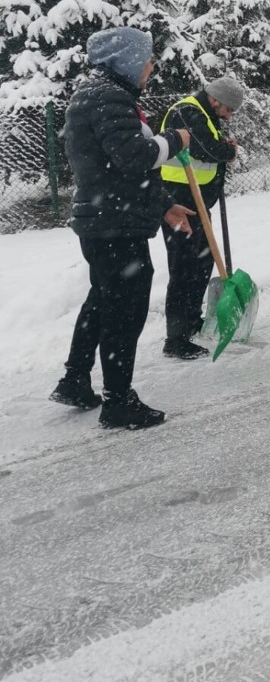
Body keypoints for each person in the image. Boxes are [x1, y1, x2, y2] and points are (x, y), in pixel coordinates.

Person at [49, 28, 193, 429]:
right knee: (124, 310)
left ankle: (75, 380)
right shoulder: (108, 96)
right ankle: (118, 402)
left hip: (106, 218)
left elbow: (118, 170)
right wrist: (173, 140)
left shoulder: (100, 94)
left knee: (103, 299)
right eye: (147, 59)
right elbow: (135, 157)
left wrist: (165, 206)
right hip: (114, 224)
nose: (151, 67)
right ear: (126, 61)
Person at [158, 76, 243, 359]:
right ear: (216, 98)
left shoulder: (206, 114)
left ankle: (191, 320)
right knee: (183, 267)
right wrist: (228, 150)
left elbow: (209, 147)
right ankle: (175, 339)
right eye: (229, 109)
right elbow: (205, 149)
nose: (229, 115)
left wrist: (223, 147)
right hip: (177, 203)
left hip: (196, 203)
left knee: (202, 260)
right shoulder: (188, 110)